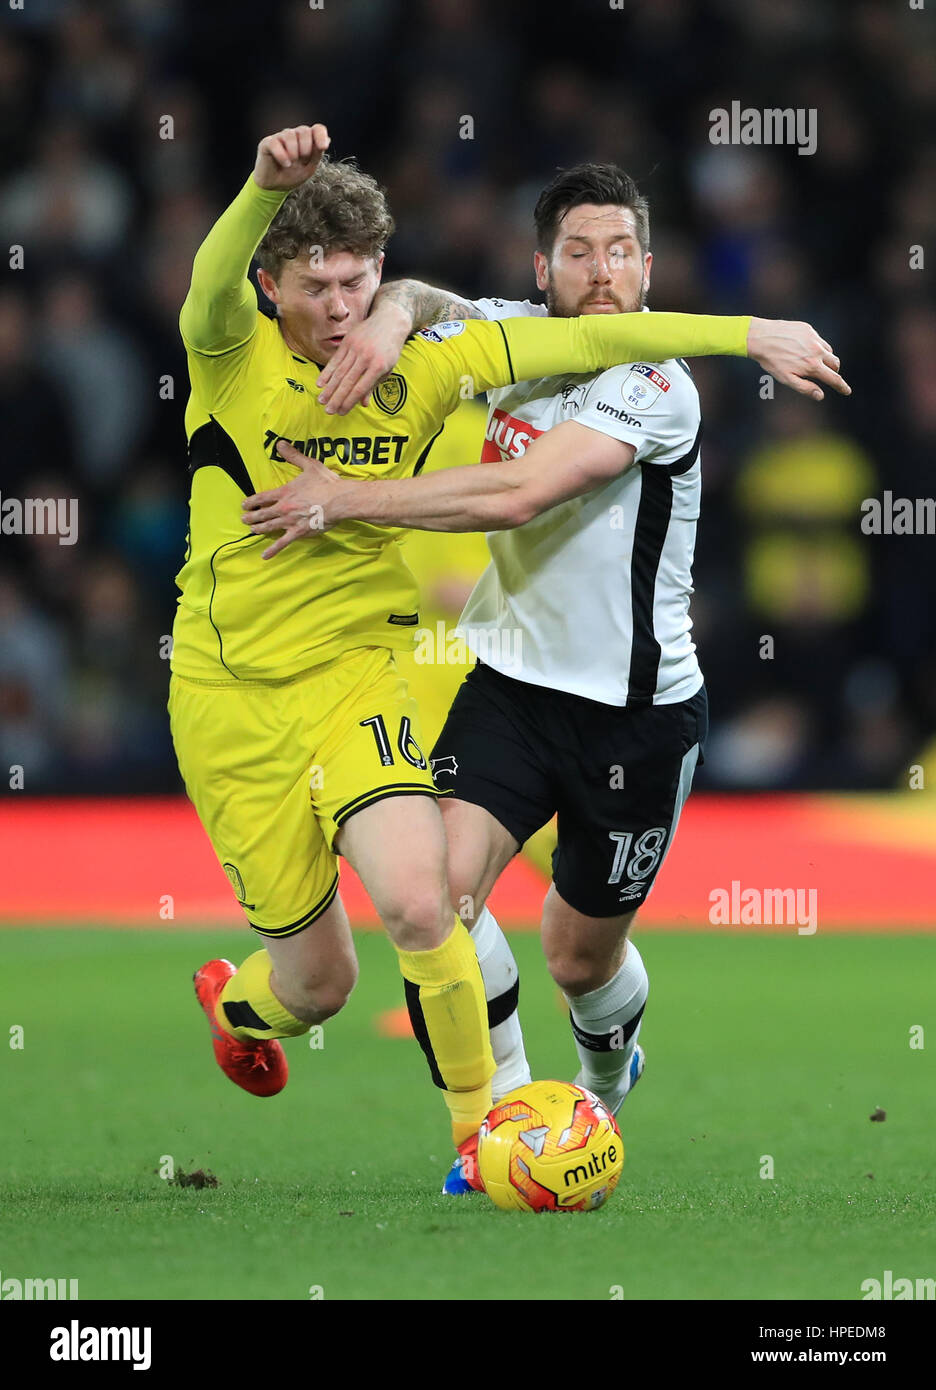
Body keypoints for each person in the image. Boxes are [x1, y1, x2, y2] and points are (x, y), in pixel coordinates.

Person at [238, 159, 849, 1187]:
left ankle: (602, 1091)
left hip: (635, 718)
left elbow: (522, 491)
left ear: (648, 269)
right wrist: (389, 318)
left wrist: (343, 499)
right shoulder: (512, 334)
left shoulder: (656, 388)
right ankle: (507, 1132)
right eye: (578, 252)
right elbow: (425, 295)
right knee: (437, 897)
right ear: (542, 269)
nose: (601, 272)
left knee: (578, 956)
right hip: (512, 689)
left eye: (620, 252)